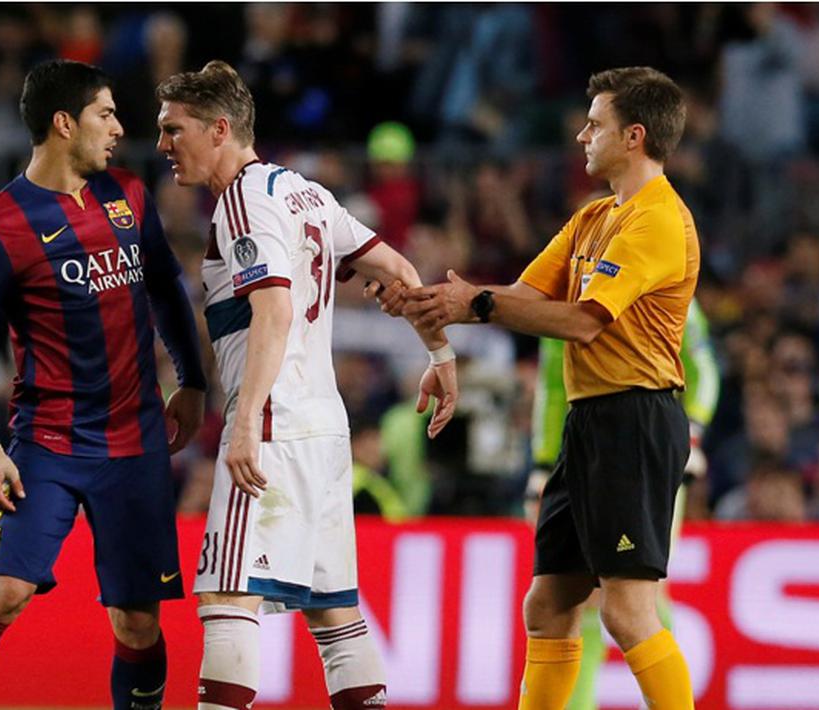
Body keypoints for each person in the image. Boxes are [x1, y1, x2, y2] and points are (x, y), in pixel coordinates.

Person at [388, 66, 699, 709]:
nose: (582, 134)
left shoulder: (658, 221)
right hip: (588, 423)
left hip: (634, 418)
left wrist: (470, 304)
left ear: (635, 136)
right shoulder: (593, 219)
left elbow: (582, 323)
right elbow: (523, 298)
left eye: (596, 124)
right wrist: (435, 306)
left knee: (628, 611)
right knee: (549, 602)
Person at [154, 60, 458, 710]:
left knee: (226, 594)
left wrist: (243, 422)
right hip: (325, 432)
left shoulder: (241, 201)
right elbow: (399, 270)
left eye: (172, 129)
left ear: (218, 128)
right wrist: (440, 351)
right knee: (334, 614)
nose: (162, 146)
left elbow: (274, 308)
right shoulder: (306, 193)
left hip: (273, 425)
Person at [0, 59, 208, 710]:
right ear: (62, 123)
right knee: (4, 592)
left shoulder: (129, 194)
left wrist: (190, 379)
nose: (118, 128)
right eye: (105, 114)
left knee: (137, 621)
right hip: (46, 444)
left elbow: (163, 285)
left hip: (135, 443)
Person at [526, 299, 719, 710]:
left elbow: (703, 369)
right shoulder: (565, 286)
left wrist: (694, 432)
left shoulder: (657, 278)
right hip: (580, 452)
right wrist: (543, 465)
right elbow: (553, 385)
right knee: (568, 597)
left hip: (644, 448)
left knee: (634, 598)